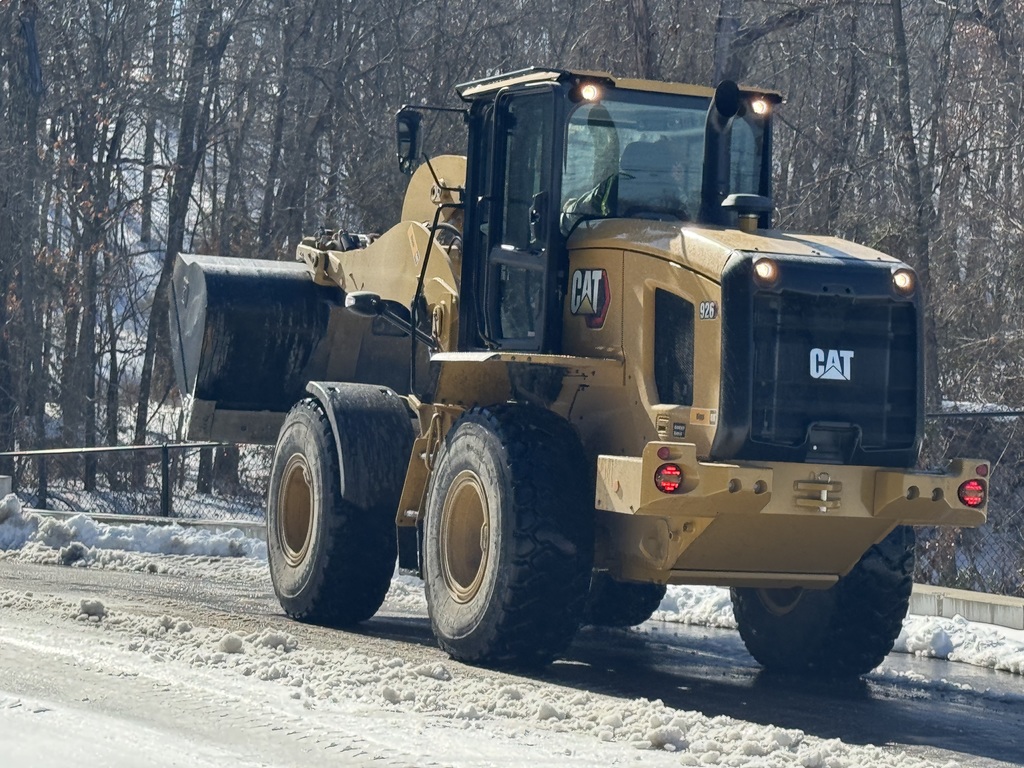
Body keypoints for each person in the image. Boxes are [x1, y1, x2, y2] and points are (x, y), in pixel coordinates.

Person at [561, 137, 689, 235]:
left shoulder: (614, 184)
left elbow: (582, 209)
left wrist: (567, 212)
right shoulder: (674, 193)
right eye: (674, 164)